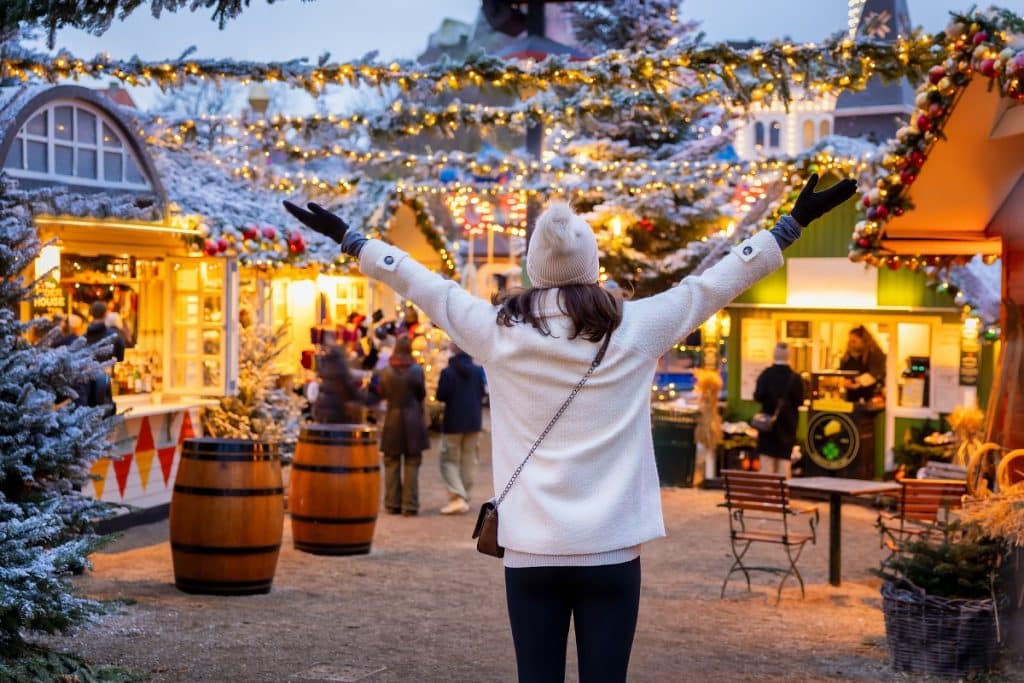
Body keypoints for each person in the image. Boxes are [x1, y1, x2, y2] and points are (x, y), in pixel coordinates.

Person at [285, 172, 857, 681]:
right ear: (593, 266)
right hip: (611, 548)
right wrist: (789, 224)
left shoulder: (497, 331)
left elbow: (424, 285)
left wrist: (352, 239)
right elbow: (713, 285)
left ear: (535, 267)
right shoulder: (636, 327)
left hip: (531, 549)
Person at [370, 336, 429, 516]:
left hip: (393, 419)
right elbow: (421, 393)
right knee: (412, 462)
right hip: (412, 420)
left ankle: (392, 503)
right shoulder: (417, 370)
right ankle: (409, 504)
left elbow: (382, 393)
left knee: (391, 463)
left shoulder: (386, 371)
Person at [435, 342, 487, 515]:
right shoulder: (478, 371)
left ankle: (457, 496)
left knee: (448, 460)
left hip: (453, 422)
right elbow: (482, 393)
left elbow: (441, 395)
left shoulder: (447, 372)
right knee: (469, 461)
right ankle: (464, 497)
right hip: (474, 421)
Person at [753, 342, 804, 478]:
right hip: (788, 426)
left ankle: (767, 497)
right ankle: (782, 496)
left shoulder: (766, 374)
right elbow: (800, 401)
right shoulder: (795, 378)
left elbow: (758, 396)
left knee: (767, 465)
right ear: (789, 356)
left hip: (768, 426)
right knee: (784, 465)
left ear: (774, 354)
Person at [312, 328, 366, 424]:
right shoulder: (340, 369)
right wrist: (370, 399)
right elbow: (351, 392)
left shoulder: (328, 366)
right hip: (336, 412)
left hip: (325, 411)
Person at [840, 325, 886, 403]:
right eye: (850, 341)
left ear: (864, 340)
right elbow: (841, 372)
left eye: (854, 341)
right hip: (851, 398)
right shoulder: (847, 355)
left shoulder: (875, 353)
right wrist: (843, 381)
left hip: (871, 398)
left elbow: (876, 373)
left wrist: (857, 382)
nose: (851, 344)